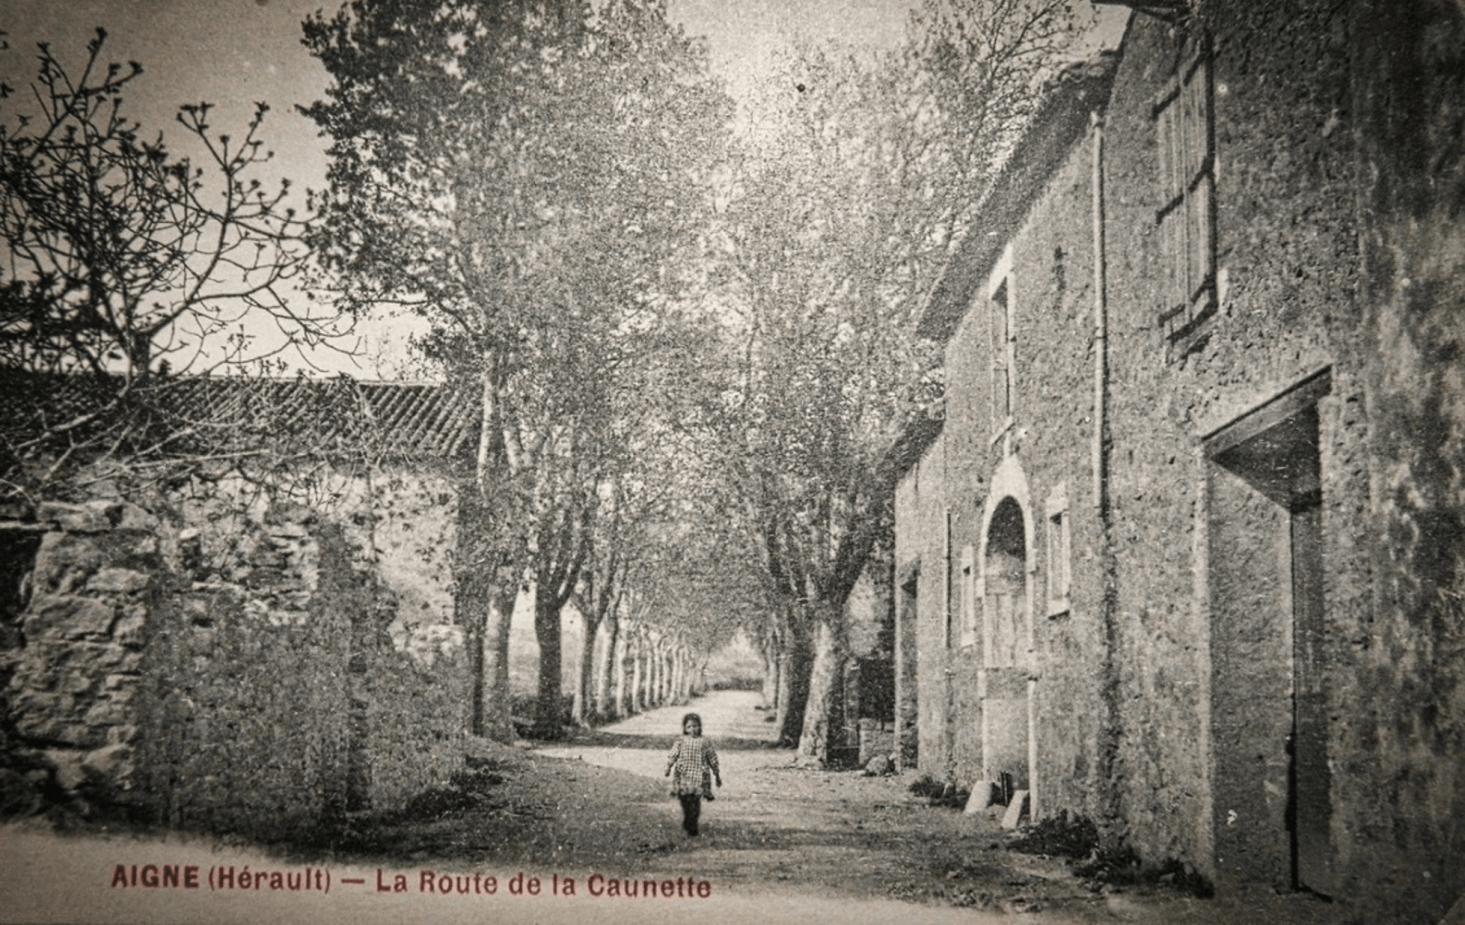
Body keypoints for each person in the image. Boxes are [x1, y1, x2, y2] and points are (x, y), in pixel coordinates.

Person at [665, 712, 721, 836]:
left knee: (695, 802)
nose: (693, 729)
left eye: (695, 726)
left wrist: (717, 774)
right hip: (683, 775)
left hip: (699, 776)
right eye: (689, 727)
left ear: (700, 727)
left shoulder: (704, 742)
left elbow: (712, 758)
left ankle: (692, 823)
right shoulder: (680, 741)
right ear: (684, 728)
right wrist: (668, 767)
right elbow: (673, 755)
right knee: (685, 800)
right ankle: (688, 819)